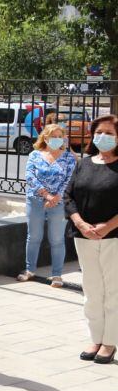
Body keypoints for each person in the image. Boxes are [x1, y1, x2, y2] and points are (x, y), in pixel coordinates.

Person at [64, 114, 118, 365]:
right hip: (84, 235)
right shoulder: (84, 164)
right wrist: (80, 223)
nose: (103, 137)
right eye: (99, 132)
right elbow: (68, 196)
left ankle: (110, 341)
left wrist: (107, 226)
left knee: (112, 291)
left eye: (109, 133)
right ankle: (95, 337)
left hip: (112, 237)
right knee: (92, 289)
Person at [19, 123, 76, 287]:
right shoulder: (35, 155)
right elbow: (29, 176)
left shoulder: (68, 157)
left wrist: (56, 197)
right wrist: (46, 195)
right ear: (45, 137)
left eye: (60, 136)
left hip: (58, 203)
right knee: (33, 237)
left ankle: (57, 275)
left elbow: (69, 180)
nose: (57, 139)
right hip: (35, 200)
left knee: (57, 239)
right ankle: (29, 270)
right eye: (53, 136)